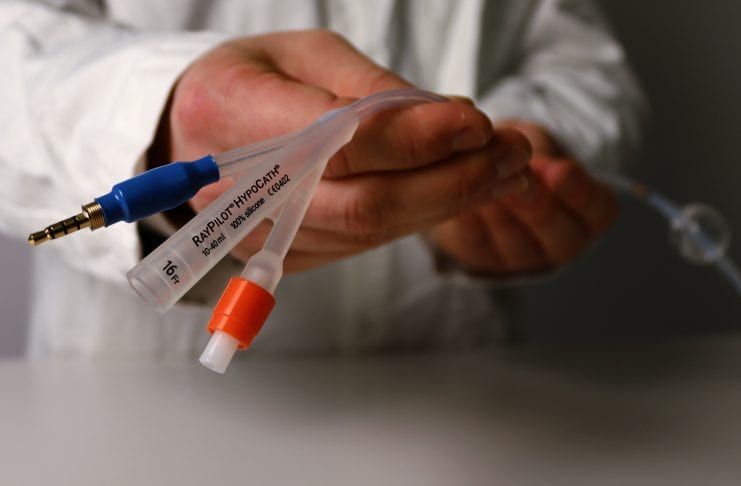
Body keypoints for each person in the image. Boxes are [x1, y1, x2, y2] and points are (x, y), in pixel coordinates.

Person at [0, 0, 644, 358]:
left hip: (455, 399)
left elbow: (580, 63)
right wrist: (152, 115)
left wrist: (528, 145)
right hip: (131, 407)